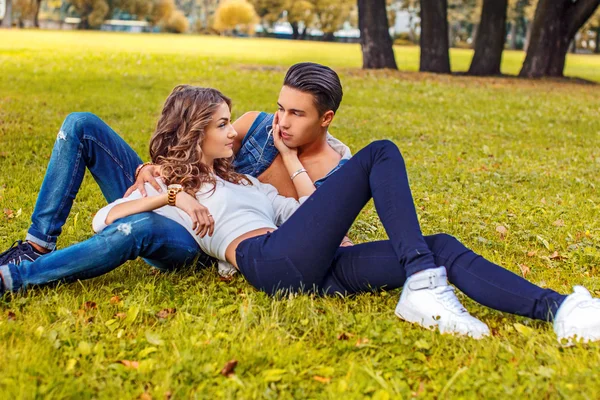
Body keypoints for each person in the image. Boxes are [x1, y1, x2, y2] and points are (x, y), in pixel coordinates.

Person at [3, 85, 600, 344]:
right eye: (220, 126)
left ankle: (560, 309)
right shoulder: (182, 191)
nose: (233, 135)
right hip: (269, 263)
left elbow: (315, 212)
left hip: (316, 264)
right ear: (195, 135)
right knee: (382, 154)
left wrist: (289, 156)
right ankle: (422, 285)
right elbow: (109, 222)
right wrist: (170, 194)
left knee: (438, 243)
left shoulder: (247, 183)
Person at [0, 62, 353, 271]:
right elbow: (199, 145)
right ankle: (36, 246)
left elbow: (322, 229)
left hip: (201, 237)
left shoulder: (338, 171)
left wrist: (290, 160)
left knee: (139, 226)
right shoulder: (257, 125)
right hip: (173, 196)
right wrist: (153, 170)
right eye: (282, 108)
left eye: (297, 113)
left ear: (326, 119)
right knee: (82, 125)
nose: (283, 122)